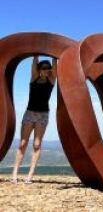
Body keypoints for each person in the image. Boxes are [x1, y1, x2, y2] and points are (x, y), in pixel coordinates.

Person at [11, 56, 57, 184]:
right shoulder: (34, 78)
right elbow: (34, 62)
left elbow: (55, 65)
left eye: (48, 68)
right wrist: (36, 54)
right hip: (29, 114)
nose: (46, 70)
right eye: (44, 68)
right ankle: (14, 174)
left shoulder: (51, 80)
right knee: (22, 143)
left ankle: (29, 176)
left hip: (43, 115)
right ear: (39, 69)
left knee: (37, 145)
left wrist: (53, 56)